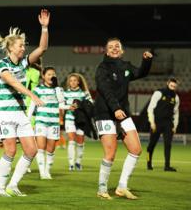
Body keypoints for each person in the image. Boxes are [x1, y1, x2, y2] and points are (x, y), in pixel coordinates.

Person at [0, 19, 48, 196]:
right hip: (4, 113)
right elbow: (13, 82)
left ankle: (13, 185)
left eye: (24, 45)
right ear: (10, 48)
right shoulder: (2, 64)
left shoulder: (23, 63)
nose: (23, 48)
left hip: (20, 113)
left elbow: (42, 49)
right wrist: (31, 94)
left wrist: (44, 28)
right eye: (20, 46)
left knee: (31, 149)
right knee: (10, 150)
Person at [94, 37, 153, 200]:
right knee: (110, 153)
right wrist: (116, 108)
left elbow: (141, 72)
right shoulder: (102, 68)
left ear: (121, 50)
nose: (114, 48)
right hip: (105, 113)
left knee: (136, 149)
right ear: (106, 51)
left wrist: (146, 61)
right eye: (111, 46)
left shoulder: (126, 66)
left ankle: (121, 187)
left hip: (122, 113)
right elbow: (105, 90)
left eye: (117, 46)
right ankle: (102, 189)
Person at [33, 67, 72, 180]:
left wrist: (69, 106)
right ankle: (42, 172)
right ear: (43, 76)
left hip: (53, 122)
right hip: (41, 121)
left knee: (51, 149)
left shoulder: (58, 89)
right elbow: (33, 105)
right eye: (49, 74)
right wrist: (28, 119)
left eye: (53, 74)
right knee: (41, 147)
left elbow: (60, 105)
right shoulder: (38, 89)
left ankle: (47, 171)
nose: (51, 76)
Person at [146, 77, 180, 172]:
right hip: (156, 123)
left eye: (174, 86)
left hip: (168, 124)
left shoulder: (176, 98)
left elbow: (176, 113)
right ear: (167, 83)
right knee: (151, 145)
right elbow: (150, 108)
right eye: (171, 85)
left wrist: (175, 126)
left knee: (168, 144)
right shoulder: (158, 93)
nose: (172, 87)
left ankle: (167, 166)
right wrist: (152, 122)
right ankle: (148, 163)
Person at [63, 73, 93, 171]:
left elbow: (91, 104)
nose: (73, 82)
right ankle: (71, 164)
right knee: (71, 141)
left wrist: (81, 106)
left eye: (75, 80)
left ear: (78, 82)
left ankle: (78, 162)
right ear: (69, 82)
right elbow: (61, 106)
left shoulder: (84, 93)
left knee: (80, 142)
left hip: (81, 120)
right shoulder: (65, 93)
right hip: (69, 119)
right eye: (71, 81)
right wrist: (68, 107)